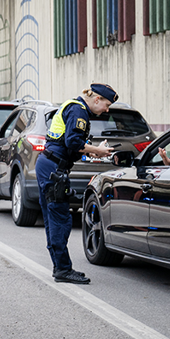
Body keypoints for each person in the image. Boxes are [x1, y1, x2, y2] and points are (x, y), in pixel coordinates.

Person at [36, 84, 118, 285]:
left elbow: (67, 142)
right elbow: (73, 141)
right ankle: (63, 269)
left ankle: (60, 267)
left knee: (53, 218)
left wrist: (89, 151)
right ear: (96, 99)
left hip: (49, 166)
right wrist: (97, 151)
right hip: (53, 169)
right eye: (106, 105)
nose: (107, 110)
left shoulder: (74, 107)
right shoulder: (79, 110)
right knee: (60, 219)